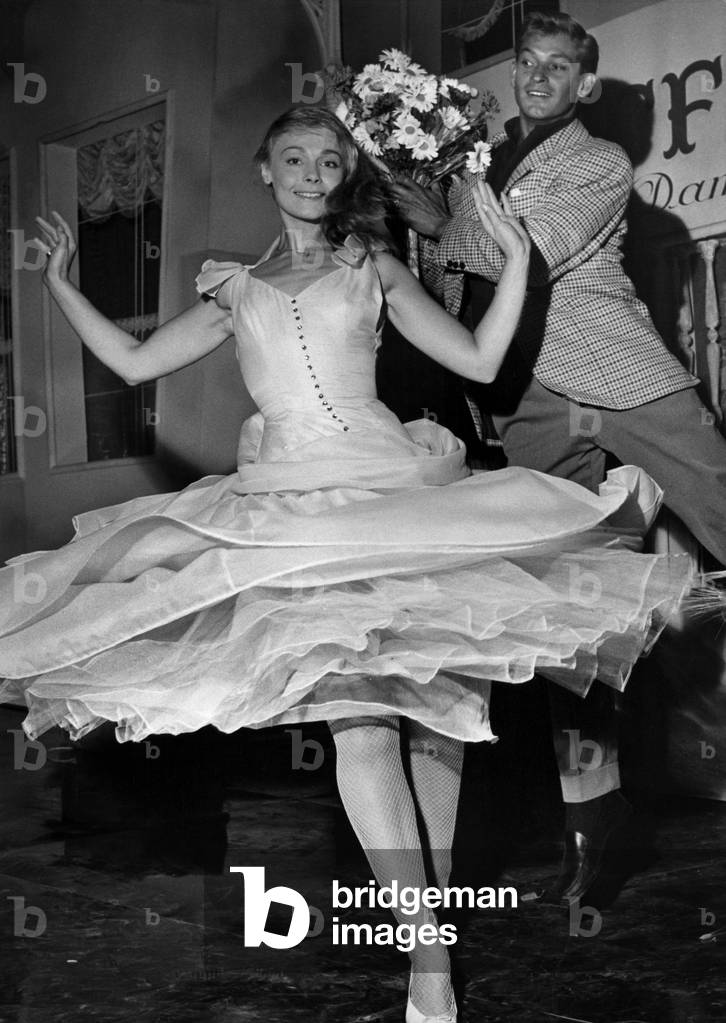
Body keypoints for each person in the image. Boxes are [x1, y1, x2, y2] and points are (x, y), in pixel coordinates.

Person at [0, 106, 693, 1022]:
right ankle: (430, 961)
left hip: (397, 496)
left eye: (328, 160)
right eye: (293, 157)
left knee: (438, 720)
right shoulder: (234, 289)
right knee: (362, 724)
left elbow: (482, 361)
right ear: (264, 169)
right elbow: (132, 363)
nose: (311, 173)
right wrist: (59, 282)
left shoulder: (374, 266)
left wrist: (520, 265)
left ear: (341, 175)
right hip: (290, 513)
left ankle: (426, 938)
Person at [391, 8, 726, 904]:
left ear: (584, 86)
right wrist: (427, 224)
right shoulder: (484, 164)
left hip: (624, 376)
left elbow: (523, 256)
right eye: (526, 63)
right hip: (532, 401)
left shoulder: (599, 160)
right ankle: (594, 812)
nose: (537, 76)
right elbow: (451, 290)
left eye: (557, 66)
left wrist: (439, 218)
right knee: (564, 612)